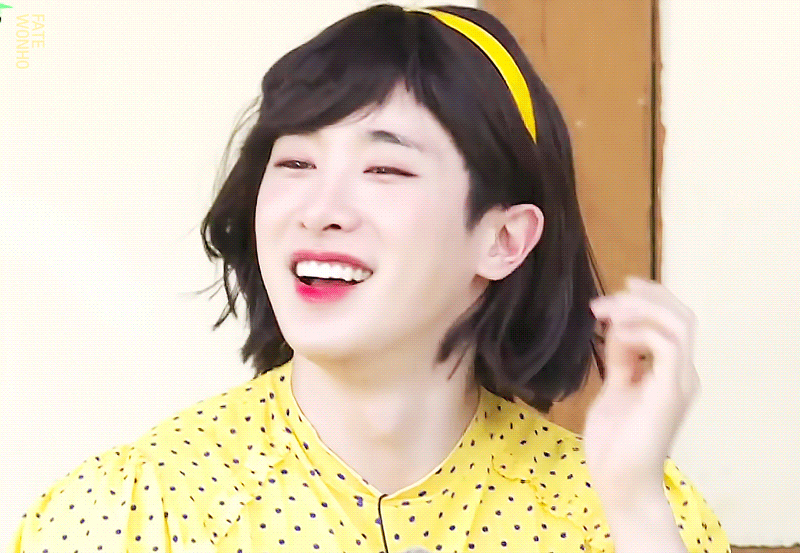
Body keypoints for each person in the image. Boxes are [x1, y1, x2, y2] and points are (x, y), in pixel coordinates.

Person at [8, 4, 731, 553]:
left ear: (504, 239)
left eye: (385, 168)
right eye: (295, 163)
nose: (320, 209)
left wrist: (635, 508)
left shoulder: (631, 512)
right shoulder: (129, 511)